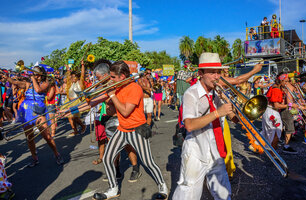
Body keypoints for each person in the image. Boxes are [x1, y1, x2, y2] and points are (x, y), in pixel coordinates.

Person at [92, 61, 168, 200]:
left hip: (137, 130)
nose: (111, 80)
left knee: (148, 162)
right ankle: (113, 189)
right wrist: (66, 111)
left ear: (122, 76)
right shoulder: (117, 87)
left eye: (113, 77)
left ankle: (162, 186)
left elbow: (125, 111)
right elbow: (92, 102)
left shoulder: (134, 88)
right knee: (107, 158)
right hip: (122, 130)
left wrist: (112, 95)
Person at [173, 53, 234, 200]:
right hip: (196, 150)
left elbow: (233, 118)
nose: (217, 76)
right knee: (189, 193)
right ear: (200, 73)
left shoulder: (216, 92)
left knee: (223, 193)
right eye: (212, 72)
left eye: (218, 72)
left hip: (215, 149)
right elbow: (189, 125)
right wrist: (218, 112)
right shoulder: (191, 93)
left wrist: (238, 110)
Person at [3, 66, 63, 167]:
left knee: (47, 136)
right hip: (27, 113)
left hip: (38, 112)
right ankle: (34, 158)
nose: (36, 77)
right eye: (34, 75)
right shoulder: (28, 84)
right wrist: (7, 77)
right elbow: (16, 83)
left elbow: (38, 90)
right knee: (29, 137)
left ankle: (57, 154)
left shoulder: (46, 83)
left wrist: (33, 79)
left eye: (37, 75)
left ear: (41, 75)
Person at [63, 62, 86, 137]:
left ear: (77, 77)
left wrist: (82, 65)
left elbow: (82, 74)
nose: (72, 78)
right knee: (70, 118)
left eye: (74, 77)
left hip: (76, 102)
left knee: (74, 118)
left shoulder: (80, 82)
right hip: (69, 102)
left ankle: (82, 125)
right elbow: (69, 75)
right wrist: (67, 69)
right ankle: (75, 131)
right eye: (72, 77)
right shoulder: (70, 83)